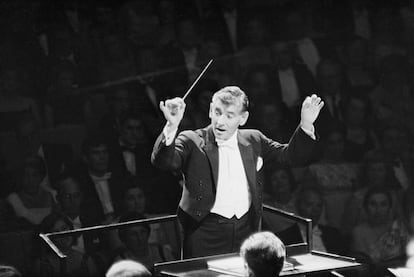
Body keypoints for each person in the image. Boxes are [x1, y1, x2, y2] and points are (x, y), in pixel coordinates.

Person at [151, 86, 323, 258]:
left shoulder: (254, 139)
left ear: (243, 118)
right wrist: (171, 126)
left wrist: (306, 124)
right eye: (217, 112)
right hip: (204, 231)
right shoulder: (192, 140)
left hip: (246, 231)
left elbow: (289, 157)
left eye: (229, 115)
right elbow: (163, 162)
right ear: (210, 110)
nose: (220, 122)